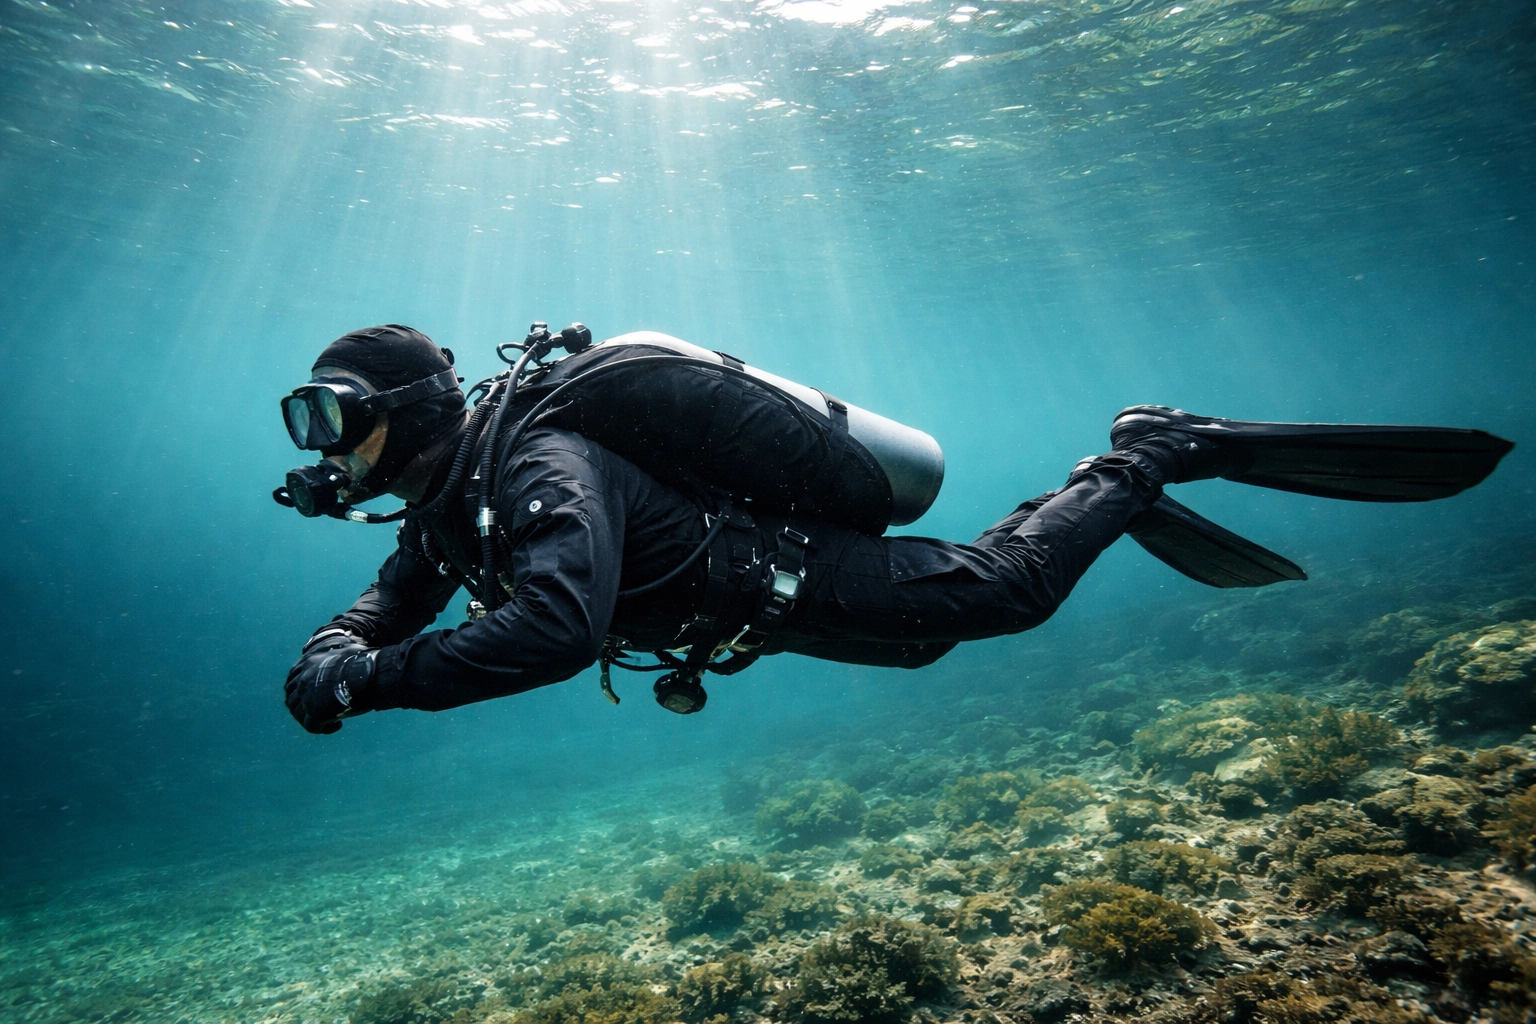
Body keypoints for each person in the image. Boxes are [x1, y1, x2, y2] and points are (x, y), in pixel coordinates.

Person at [281, 325, 1512, 734]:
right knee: (929, 637)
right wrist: (336, 648)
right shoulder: (455, 500)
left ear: (400, 410)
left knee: (998, 595)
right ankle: (1119, 475)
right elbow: (402, 590)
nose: (322, 446)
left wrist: (362, 685)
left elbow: (553, 628)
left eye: (328, 417)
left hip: (775, 572)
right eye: (309, 422)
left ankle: (1151, 449)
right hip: (740, 610)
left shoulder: (539, 459)